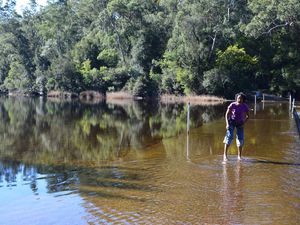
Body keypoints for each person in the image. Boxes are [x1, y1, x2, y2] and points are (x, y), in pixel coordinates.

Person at [223, 92, 250, 162]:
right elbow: (226, 115)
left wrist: (244, 122)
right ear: (236, 99)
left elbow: (248, 116)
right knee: (229, 137)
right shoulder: (232, 105)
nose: (239, 99)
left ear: (243, 99)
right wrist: (227, 124)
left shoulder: (245, 106)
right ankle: (225, 155)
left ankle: (239, 156)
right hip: (231, 122)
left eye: (241, 98)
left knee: (240, 139)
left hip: (240, 124)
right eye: (238, 98)